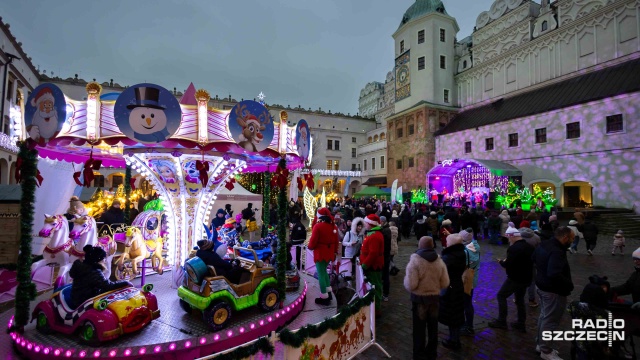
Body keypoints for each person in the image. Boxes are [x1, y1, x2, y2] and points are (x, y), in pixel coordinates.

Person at [404, 236, 450, 360]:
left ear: (420, 245)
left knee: (419, 329)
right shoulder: (439, 261)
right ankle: (432, 352)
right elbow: (445, 282)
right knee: (433, 327)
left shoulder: (415, 261)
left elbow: (410, 284)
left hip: (419, 300)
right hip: (434, 298)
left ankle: (419, 355)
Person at [533, 226, 575, 360]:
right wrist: (569, 284)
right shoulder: (557, 251)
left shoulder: (544, 244)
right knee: (550, 320)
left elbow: (533, 258)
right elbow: (554, 273)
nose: (572, 241)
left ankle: (540, 344)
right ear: (565, 238)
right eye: (572, 239)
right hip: (553, 290)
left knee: (544, 316)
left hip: (542, 285)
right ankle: (546, 350)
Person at [488, 227, 535, 332]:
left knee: (501, 295)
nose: (508, 240)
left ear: (512, 236)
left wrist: (501, 262)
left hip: (515, 278)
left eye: (508, 238)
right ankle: (521, 323)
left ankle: (501, 320)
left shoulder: (513, 249)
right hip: (526, 277)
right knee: (520, 300)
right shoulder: (529, 247)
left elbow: (509, 264)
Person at [439, 233, 466, 350]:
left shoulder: (449, 257)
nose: (446, 242)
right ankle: (455, 338)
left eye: (448, 241)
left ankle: (454, 341)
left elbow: (441, 271)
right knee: (456, 313)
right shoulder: (461, 253)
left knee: (452, 314)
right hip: (457, 285)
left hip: (450, 288)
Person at [308, 207, 339, 306]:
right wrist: (334, 252)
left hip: (320, 253)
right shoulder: (333, 227)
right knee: (324, 272)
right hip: (329, 253)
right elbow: (336, 241)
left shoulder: (318, 226)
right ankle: (328, 292)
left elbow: (312, 242)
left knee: (321, 274)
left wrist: (310, 247)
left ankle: (324, 296)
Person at [360, 214, 385, 314]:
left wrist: (365, 265)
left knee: (375, 286)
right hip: (372, 265)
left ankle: (376, 309)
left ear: (370, 224)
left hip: (373, 266)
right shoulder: (372, 233)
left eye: (366, 222)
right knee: (373, 286)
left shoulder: (374, 236)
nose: (364, 224)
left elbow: (373, 253)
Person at [460, 229, 480, 336]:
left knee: (466, 303)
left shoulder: (466, 252)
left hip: (466, 280)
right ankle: (468, 325)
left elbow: (461, 266)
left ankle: (468, 326)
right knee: (467, 302)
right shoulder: (474, 247)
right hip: (472, 278)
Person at [520, 227, 541, 307]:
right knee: (532, 281)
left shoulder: (518, 236)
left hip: (520, 261)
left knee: (519, 280)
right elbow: (539, 249)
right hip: (532, 262)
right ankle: (531, 300)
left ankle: (518, 297)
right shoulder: (536, 237)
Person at [380, 216, 392, 302]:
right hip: (386, 255)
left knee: (385, 275)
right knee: (385, 275)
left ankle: (385, 294)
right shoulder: (386, 229)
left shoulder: (385, 230)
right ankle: (385, 293)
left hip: (384, 255)